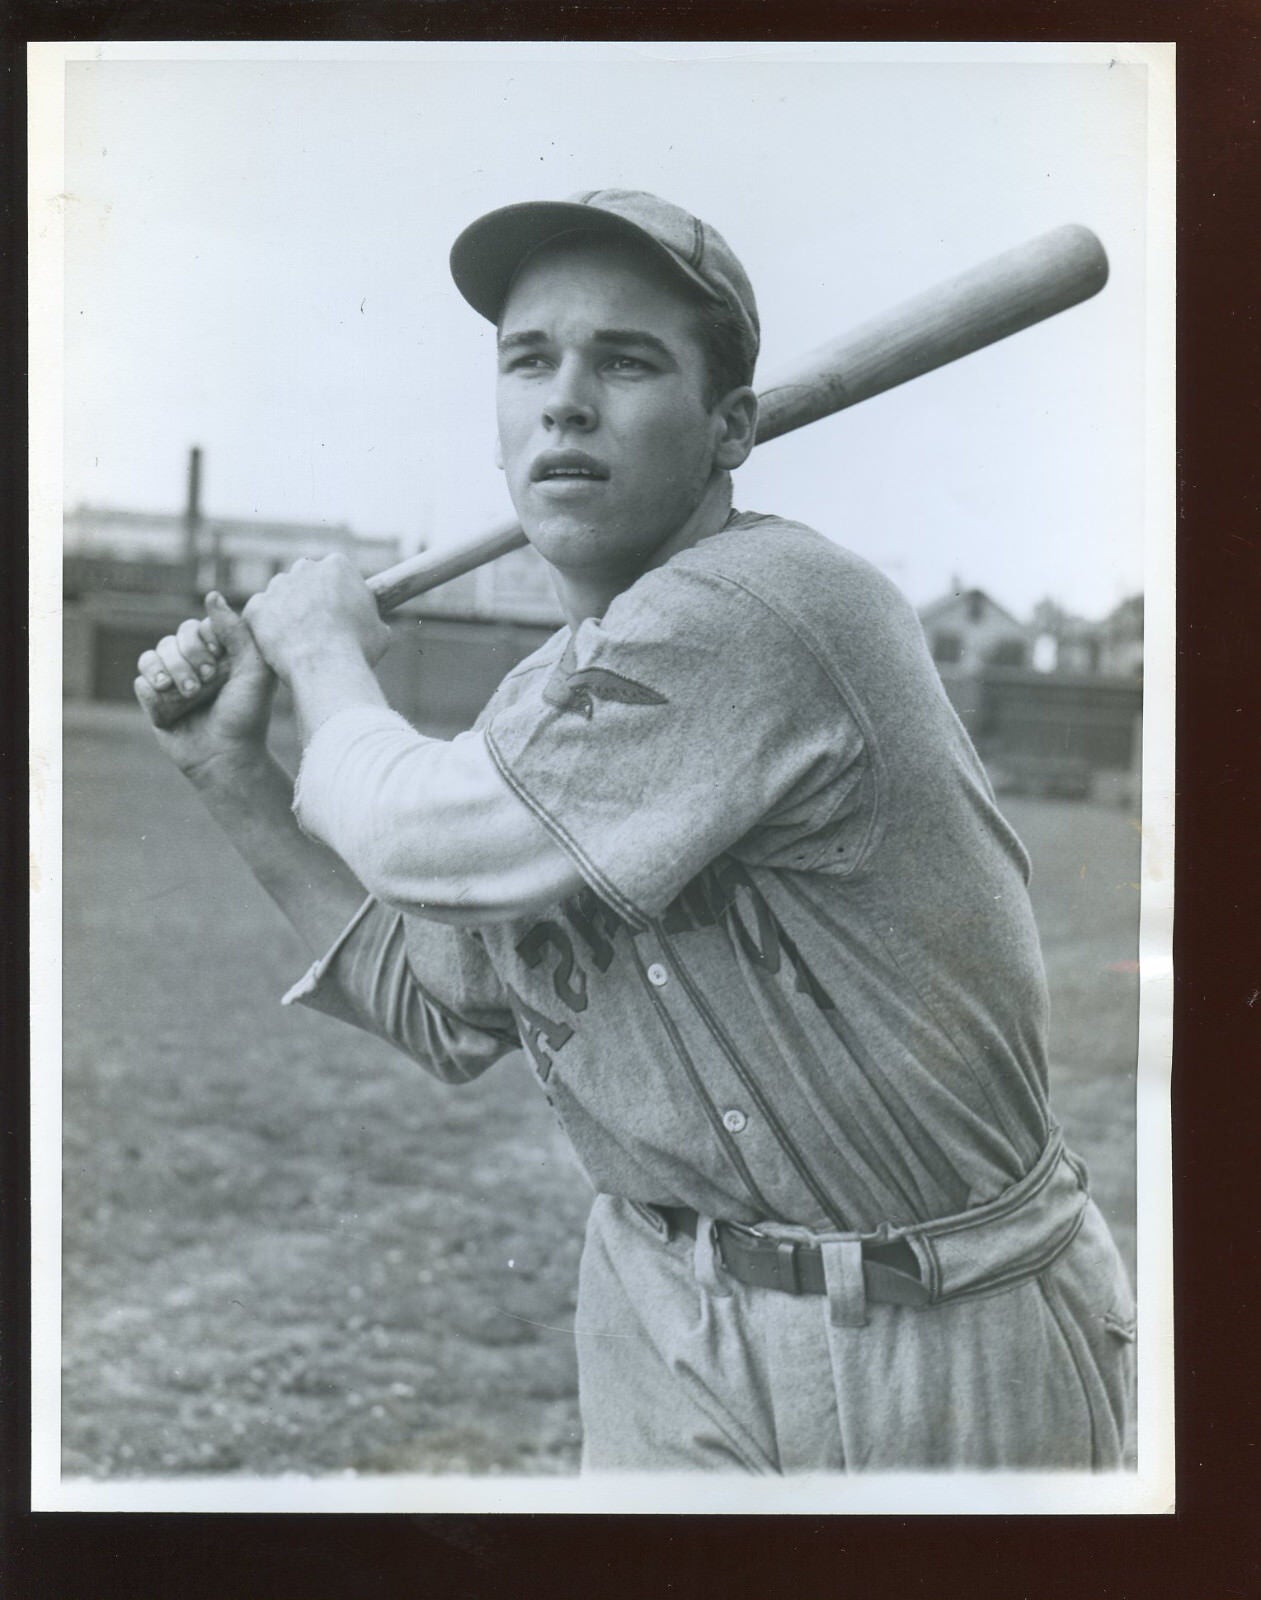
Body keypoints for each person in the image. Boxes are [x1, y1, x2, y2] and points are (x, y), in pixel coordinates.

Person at [135, 189, 1136, 1473]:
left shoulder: (773, 607)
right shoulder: (540, 717)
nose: (564, 399)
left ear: (730, 429)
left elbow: (426, 839)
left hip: (948, 1326)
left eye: (626, 360)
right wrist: (232, 773)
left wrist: (326, 657)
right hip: (665, 1323)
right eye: (530, 359)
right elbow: (444, 1005)